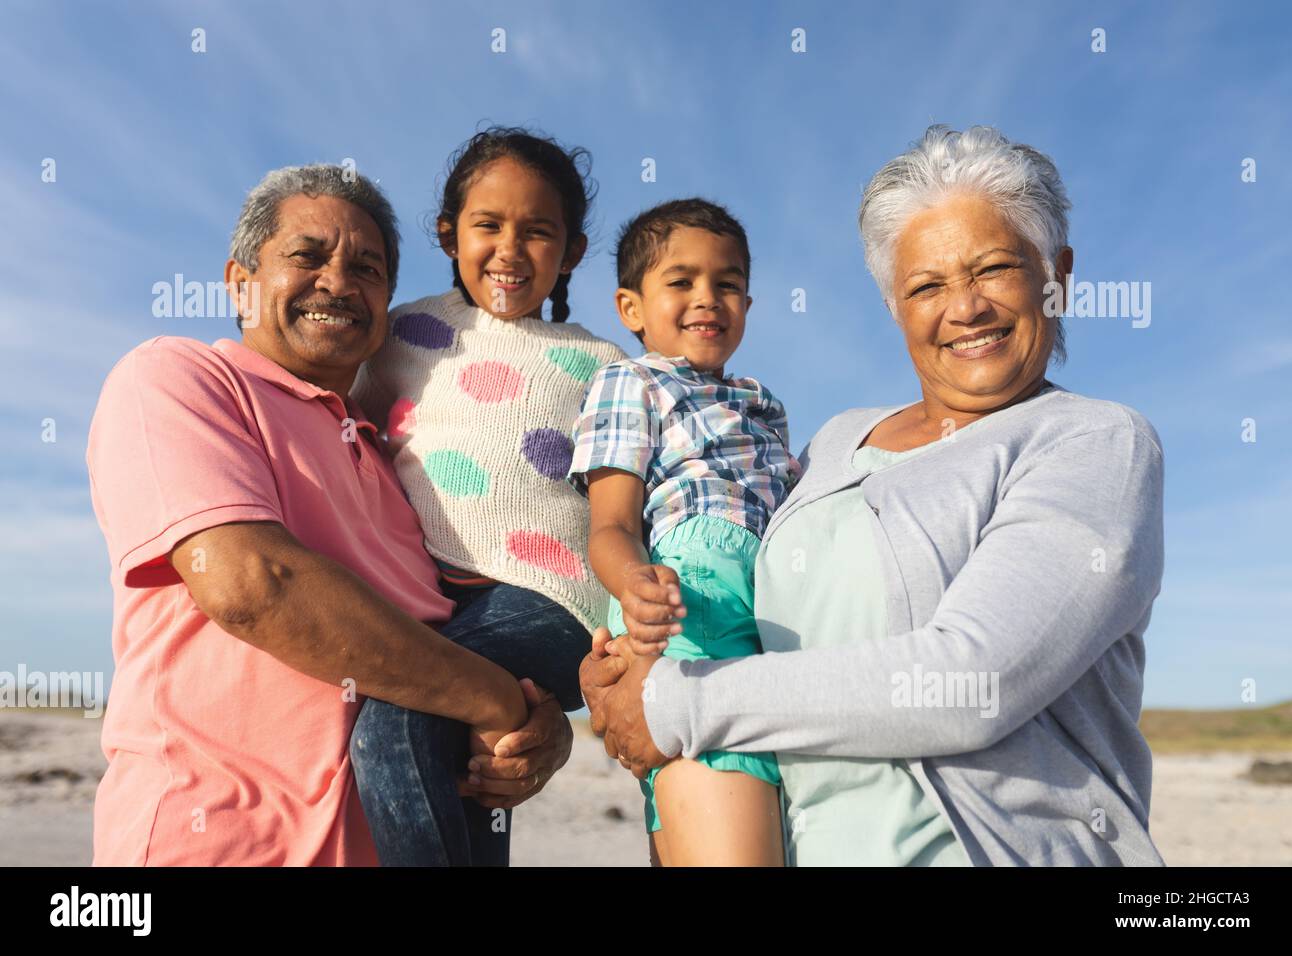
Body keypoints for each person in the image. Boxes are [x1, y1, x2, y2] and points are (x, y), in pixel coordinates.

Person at [581, 125, 1167, 866]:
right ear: (893, 303)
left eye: (993, 269)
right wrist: (616, 666)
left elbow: (972, 680)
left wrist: (675, 705)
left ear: (1058, 275)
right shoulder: (832, 444)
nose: (965, 307)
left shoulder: (1093, 443)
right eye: (926, 284)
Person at [85, 164, 571, 866]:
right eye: (307, 256)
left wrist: (536, 732)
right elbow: (253, 587)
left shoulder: (393, 464)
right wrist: (495, 699)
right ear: (240, 282)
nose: (339, 283)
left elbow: (453, 651)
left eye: (368, 270)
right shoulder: (179, 378)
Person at [347, 128, 625, 865]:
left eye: (538, 232)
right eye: (488, 226)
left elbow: (634, 500)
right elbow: (341, 431)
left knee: (399, 714)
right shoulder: (399, 334)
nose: (510, 249)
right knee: (474, 775)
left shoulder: (601, 364)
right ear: (448, 235)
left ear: (569, 254)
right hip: (436, 600)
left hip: (552, 603)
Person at [569, 199, 799, 866]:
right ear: (631, 308)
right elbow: (610, 524)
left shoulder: (764, 405)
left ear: (748, 306)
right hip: (684, 613)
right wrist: (634, 583)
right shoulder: (630, 381)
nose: (708, 298)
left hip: (766, 626)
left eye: (726, 284)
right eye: (681, 281)